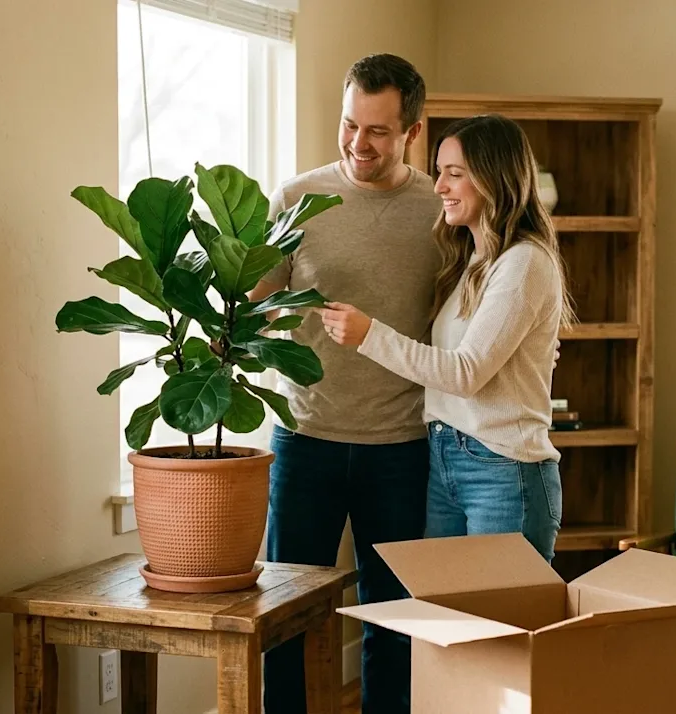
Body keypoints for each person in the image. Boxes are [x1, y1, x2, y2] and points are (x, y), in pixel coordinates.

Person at [247, 54, 441, 714]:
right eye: (349, 125)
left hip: (403, 446)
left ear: (412, 130)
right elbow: (251, 298)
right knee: (286, 620)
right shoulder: (297, 198)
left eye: (378, 131)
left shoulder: (437, 209)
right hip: (306, 442)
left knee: (394, 624)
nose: (359, 144)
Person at [319, 113, 574, 563]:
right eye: (440, 172)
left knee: (499, 628)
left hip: (503, 471)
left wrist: (369, 335)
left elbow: (465, 373)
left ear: (496, 180)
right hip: (446, 459)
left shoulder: (523, 264)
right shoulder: (473, 260)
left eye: (455, 175)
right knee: (447, 623)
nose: (439, 187)